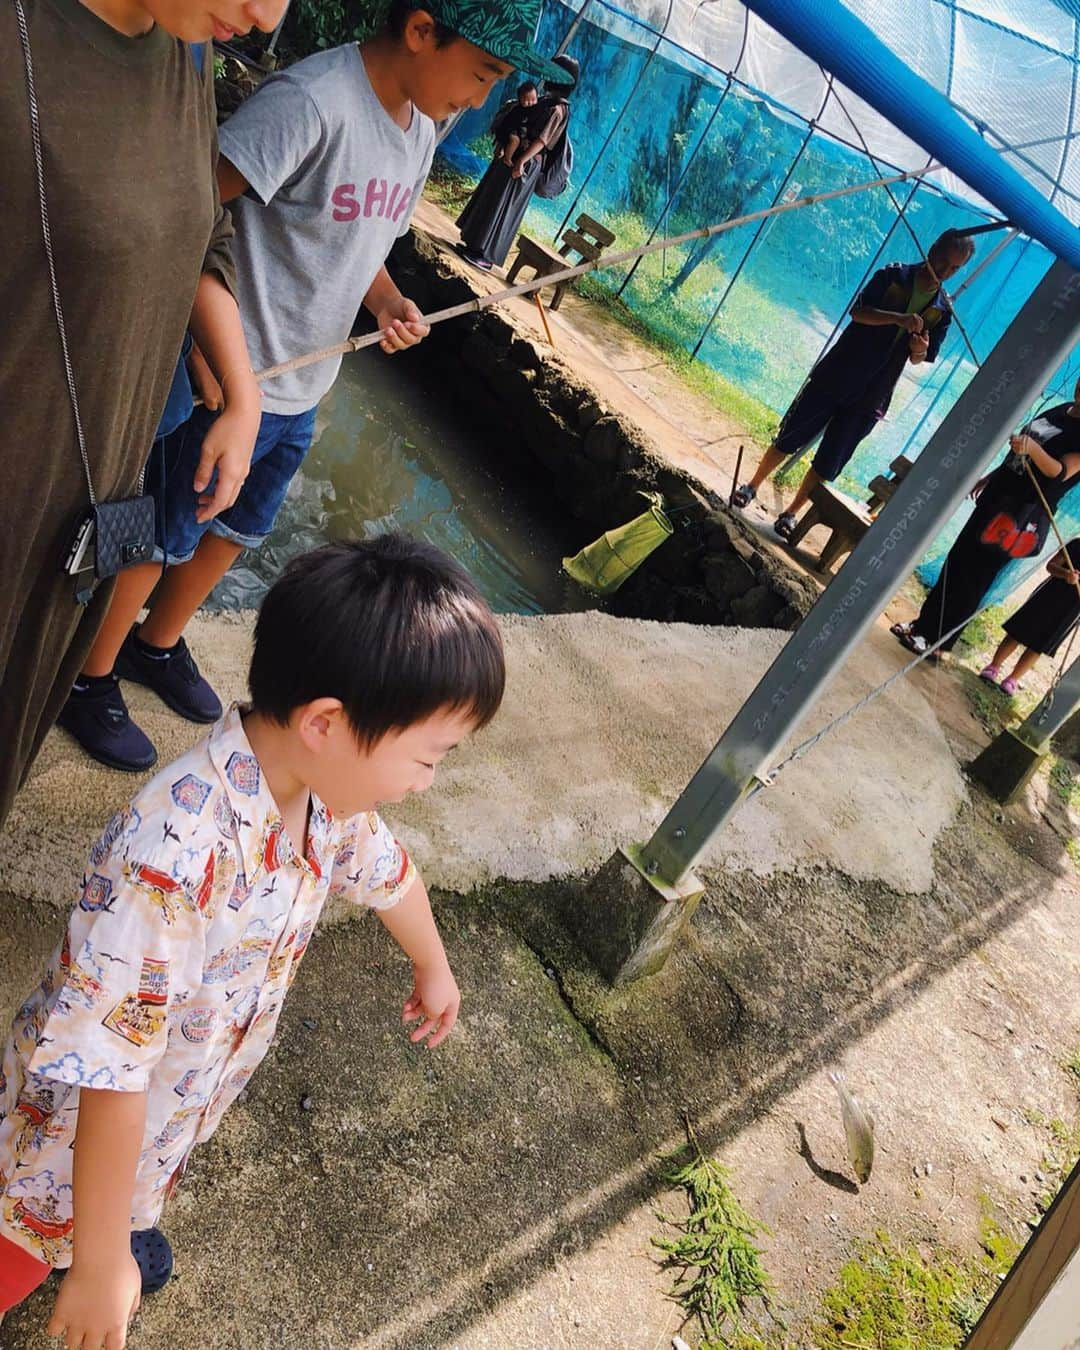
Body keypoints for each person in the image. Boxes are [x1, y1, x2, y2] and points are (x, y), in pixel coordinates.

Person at [0, 534, 506, 1345]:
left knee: (131, 1187)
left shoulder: (322, 798)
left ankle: (118, 1226)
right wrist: (97, 1264)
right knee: (18, 1250)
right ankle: (89, 1248)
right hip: (59, 1147)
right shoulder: (174, 860)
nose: (428, 781)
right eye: (428, 757)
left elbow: (389, 874)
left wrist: (432, 964)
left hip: (172, 1106)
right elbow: (111, 1074)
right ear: (327, 723)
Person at [60, 0, 551, 774]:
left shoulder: (423, 129)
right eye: (483, 73)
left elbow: (367, 242)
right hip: (227, 380)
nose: (483, 98)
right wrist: (192, 343)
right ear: (422, 32)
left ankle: (155, 648)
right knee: (162, 534)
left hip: (302, 383)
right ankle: (89, 677)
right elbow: (187, 205)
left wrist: (386, 300)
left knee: (235, 532)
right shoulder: (312, 102)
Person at [0, 0, 289, 829]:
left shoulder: (187, 48)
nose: (267, 14)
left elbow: (205, 226)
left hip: (84, 515)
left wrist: (244, 390)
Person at [732, 230, 975, 538]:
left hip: (873, 395)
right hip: (838, 372)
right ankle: (752, 485)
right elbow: (859, 312)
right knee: (791, 435)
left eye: (955, 268)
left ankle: (792, 513)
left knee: (830, 459)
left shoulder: (942, 310)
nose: (944, 272)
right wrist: (898, 319)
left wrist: (918, 349)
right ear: (932, 248)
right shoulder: (894, 275)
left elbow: (921, 357)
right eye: (943, 261)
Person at [894, 382, 1080, 657]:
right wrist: (992, 476)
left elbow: (1060, 472)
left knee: (974, 577)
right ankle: (923, 626)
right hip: (998, 497)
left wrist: (1033, 450)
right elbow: (1021, 451)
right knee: (957, 562)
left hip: (1020, 518)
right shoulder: (1062, 409)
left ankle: (937, 644)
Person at [457, 53, 579, 272]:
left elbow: (542, 140)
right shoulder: (545, 100)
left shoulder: (558, 109)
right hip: (515, 156)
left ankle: (486, 256)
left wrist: (521, 161)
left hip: (526, 163)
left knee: (505, 207)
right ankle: (473, 243)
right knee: (493, 198)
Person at [979, 538, 1080, 696]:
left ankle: (1012, 680)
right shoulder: (1076, 544)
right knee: (1019, 631)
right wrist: (1066, 574)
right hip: (1048, 597)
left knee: (1040, 645)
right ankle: (993, 666)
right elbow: (1051, 566)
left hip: (1070, 611)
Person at [491, 78, 538, 165]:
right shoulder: (518, 109)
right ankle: (507, 158)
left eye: (533, 99)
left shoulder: (533, 109)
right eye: (527, 100)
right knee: (515, 140)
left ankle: (500, 152)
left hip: (513, 129)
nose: (530, 103)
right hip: (508, 129)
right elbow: (513, 123)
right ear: (520, 99)